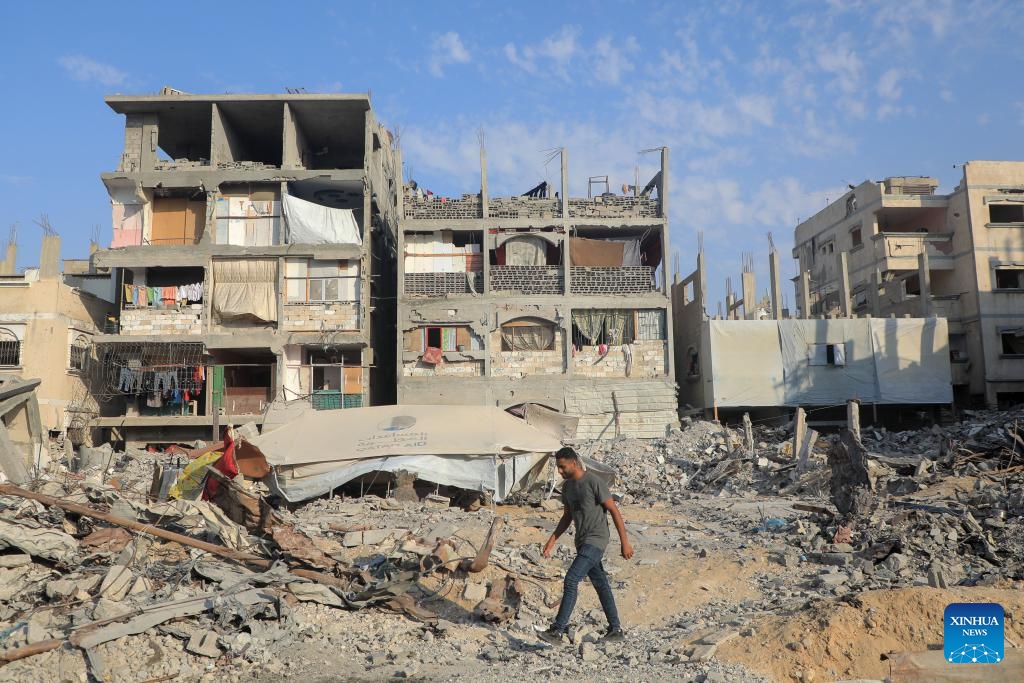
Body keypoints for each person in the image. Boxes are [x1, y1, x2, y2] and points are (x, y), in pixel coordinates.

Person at [538, 446, 634, 644]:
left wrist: (625, 543)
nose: (560, 471)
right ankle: (615, 629)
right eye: (558, 467)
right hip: (582, 542)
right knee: (601, 584)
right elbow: (567, 516)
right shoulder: (567, 487)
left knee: (571, 579)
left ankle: (557, 630)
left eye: (562, 467)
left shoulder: (593, 482)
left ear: (574, 463)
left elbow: (614, 511)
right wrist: (551, 541)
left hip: (596, 539)